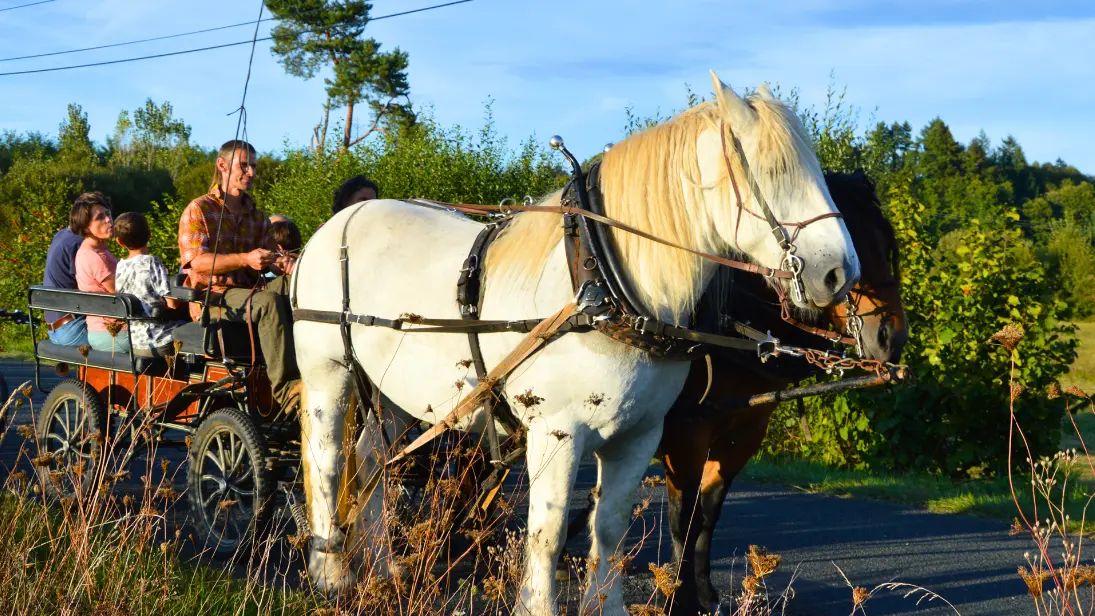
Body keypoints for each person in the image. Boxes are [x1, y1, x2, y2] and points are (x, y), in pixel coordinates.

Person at [178, 139, 298, 409]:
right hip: (212, 298)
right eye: (244, 166)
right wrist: (245, 259)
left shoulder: (258, 217)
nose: (252, 173)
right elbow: (196, 262)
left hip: (248, 294)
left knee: (296, 285)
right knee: (268, 304)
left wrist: (285, 263)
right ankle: (287, 390)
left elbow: (271, 261)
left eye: (253, 166)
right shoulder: (198, 209)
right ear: (222, 164)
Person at [114, 212, 186, 357]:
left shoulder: (120, 267)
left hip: (135, 342)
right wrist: (185, 286)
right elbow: (172, 304)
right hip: (160, 340)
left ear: (119, 242)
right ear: (150, 235)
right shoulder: (151, 262)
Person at [73, 192, 131, 353]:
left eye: (108, 214)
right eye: (100, 217)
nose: (108, 220)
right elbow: (124, 292)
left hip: (115, 329)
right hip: (112, 333)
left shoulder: (100, 251)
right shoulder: (93, 257)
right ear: (86, 227)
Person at [41, 200, 92, 346]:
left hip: (55, 329)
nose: (109, 221)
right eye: (100, 217)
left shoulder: (62, 235)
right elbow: (94, 287)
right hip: (73, 329)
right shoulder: (79, 243)